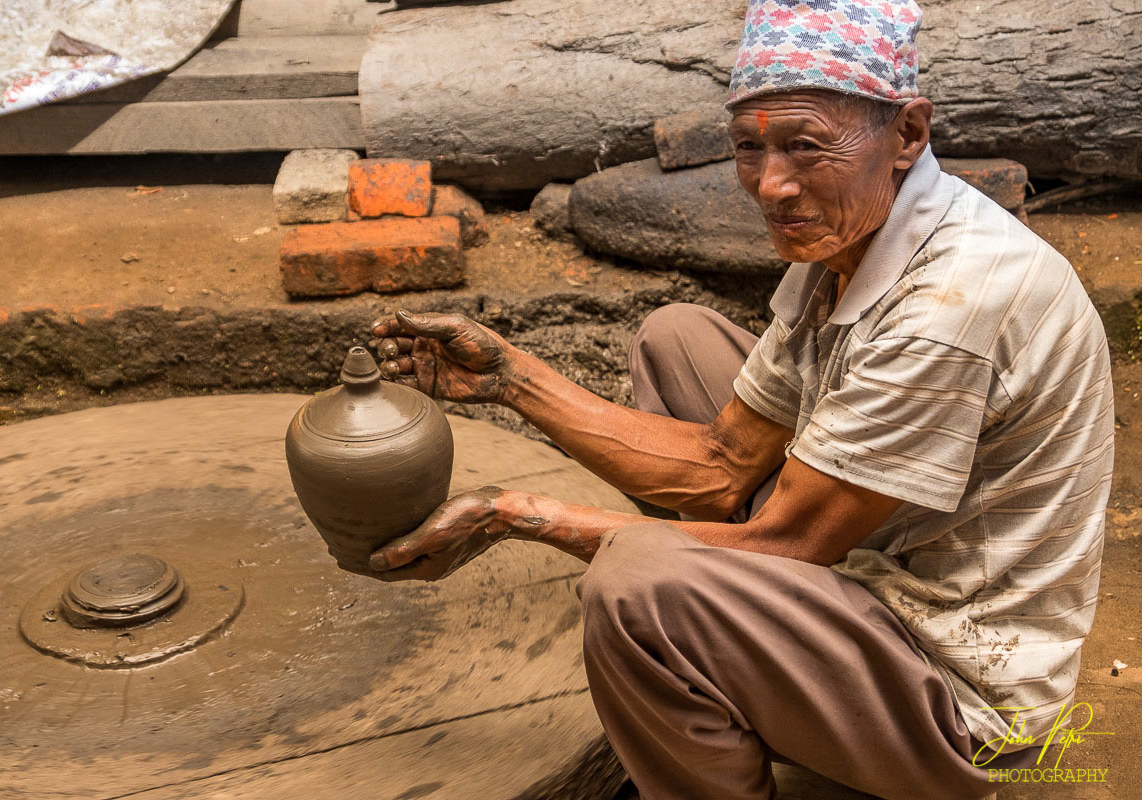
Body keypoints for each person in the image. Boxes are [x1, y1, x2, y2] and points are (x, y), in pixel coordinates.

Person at [365, 1, 1115, 797]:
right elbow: (725, 465)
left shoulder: (953, 302)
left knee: (634, 579)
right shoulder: (850, 237)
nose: (772, 186)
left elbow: (789, 544)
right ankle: (716, 661)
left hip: (956, 687)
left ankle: (709, 695)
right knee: (677, 339)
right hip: (886, 546)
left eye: (804, 146)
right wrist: (509, 381)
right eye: (748, 148)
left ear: (907, 134)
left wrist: (511, 513)